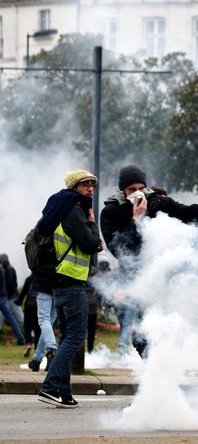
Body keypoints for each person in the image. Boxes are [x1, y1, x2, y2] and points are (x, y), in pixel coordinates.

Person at [100, 164, 198, 357]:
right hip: (138, 281)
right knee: (142, 336)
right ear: (123, 190)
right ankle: (155, 373)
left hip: (165, 273)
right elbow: (121, 250)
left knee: (173, 324)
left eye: (141, 188)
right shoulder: (110, 213)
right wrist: (136, 219)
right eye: (132, 190)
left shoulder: (158, 203)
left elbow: (191, 212)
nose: (138, 193)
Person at [37, 170, 102, 408]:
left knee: (67, 336)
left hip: (61, 282)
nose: (90, 189)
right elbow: (90, 244)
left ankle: (63, 392)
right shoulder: (73, 210)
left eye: (93, 185)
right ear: (74, 186)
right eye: (86, 185)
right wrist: (93, 227)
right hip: (71, 281)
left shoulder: (60, 207)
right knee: (75, 336)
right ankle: (50, 386)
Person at [0, 258, 25, 346]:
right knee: (11, 318)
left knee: (18, 317)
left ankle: (27, 334)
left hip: (9, 298)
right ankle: (21, 338)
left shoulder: (7, 269)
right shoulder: (3, 270)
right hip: (5, 298)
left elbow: (10, 284)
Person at [15, 274, 40, 358]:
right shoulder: (43, 279)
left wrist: (19, 301)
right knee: (38, 328)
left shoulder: (29, 279)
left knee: (27, 327)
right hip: (40, 306)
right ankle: (37, 348)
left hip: (29, 305)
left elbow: (24, 292)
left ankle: (29, 343)